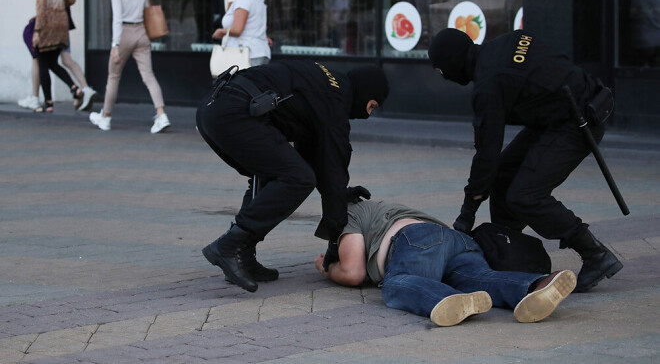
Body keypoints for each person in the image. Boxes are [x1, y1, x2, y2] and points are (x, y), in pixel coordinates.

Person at [427, 28, 623, 293]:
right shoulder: (508, 41)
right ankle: (507, 250)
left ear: (452, 66)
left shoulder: (488, 86)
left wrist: (466, 215)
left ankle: (595, 254)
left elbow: (486, 156)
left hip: (576, 122)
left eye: (442, 72)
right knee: (504, 176)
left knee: (525, 195)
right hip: (558, 114)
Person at [196, 61, 389, 293]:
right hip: (235, 114)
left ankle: (243, 255)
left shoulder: (324, 85)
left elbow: (318, 162)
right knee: (298, 178)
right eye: (373, 106)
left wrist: (341, 194)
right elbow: (332, 170)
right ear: (366, 94)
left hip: (213, 109)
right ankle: (230, 245)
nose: (368, 113)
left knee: (275, 174)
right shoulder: (336, 102)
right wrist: (336, 240)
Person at [315, 198, 576, 326]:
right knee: (480, 279)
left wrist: (327, 270)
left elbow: (353, 272)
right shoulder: (383, 208)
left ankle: (445, 298)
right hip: (458, 242)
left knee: (396, 284)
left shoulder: (348, 212)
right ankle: (538, 284)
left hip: (417, 240)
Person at [89, 0, 170, 133]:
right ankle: (161, 114)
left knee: (113, 77)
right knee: (148, 76)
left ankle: (106, 117)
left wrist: (115, 45)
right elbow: (148, 9)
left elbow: (117, 18)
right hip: (141, 32)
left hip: (124, 33)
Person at [31, 0, 95, 113]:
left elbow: (41, 4)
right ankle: (74, 89)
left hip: (47, 23)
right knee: (52, 62)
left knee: (43, 62)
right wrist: (60, 5)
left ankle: (49, 103)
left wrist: (37, 30)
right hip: (62, 24)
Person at [212, 0, 270, 67]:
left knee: (242, 83)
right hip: (258, 51)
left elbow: (237, 29)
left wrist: (221, 32)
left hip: (247, 53)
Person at [18, 48, 97, 112]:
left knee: (43, 64)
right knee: (54, 63)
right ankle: (75, 88)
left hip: (45, 35)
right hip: (59, 35)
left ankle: (47, 102)